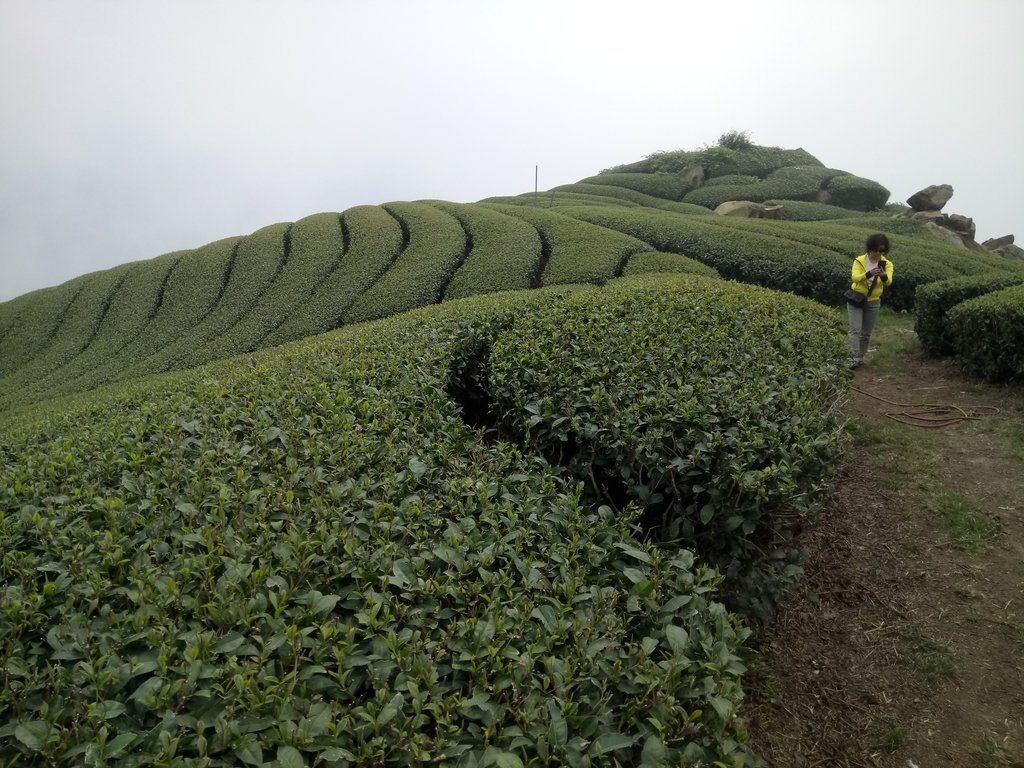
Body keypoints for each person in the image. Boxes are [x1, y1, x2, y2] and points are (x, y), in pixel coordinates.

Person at [847, 233, 893, 368]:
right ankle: (853, 358)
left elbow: (888, 282)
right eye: (875, 250)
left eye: (881, 250)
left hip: (873, 302)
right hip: (856, 299)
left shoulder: (887, 264)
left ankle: (860, 357)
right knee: (855, 330)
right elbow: (855, 278)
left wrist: (883, 277)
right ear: (869, 248)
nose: (878, 253)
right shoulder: (859, 260)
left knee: (866, 333)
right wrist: (869, 274)